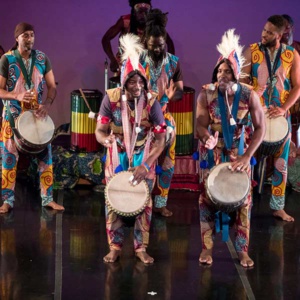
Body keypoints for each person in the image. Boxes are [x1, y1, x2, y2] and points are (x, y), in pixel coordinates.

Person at [196, 29, 265, 267]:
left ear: (236, 73)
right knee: (207, 199)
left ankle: (243, 250)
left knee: (243, 201)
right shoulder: (206, 94)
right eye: (219, 70)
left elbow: (260, 128)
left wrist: (247, 156)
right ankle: (207, 249)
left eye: (227, 70)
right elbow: (199, 125)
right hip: (213, 153)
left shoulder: (248, 95)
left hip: (239, 154)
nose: (222, 74)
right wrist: (206, 138)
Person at [95, 33, 166, 264]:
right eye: (132, 82)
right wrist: (104, 140)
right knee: (113, 198)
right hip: (117, 153)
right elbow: (100, 130)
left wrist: (146, 165)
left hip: (144, 154)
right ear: (124, 81)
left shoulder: (152, 101)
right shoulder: (111, 98)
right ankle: (114, 246)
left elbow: (161, 138)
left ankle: (140, 247)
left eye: (141, 82)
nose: (138, 86)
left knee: (144, 201)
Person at [0, 22, 64, 213]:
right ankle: (7, 201)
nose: (30, 38)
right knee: (9, 159)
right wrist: (16, 96)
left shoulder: (43, 58)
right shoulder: (7, 59)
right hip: (12, 116)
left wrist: (47, 104)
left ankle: (48, 199)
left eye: (32, 35)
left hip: (36, 115)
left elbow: (52, 86)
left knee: (46, 158)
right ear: (17, 38)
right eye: (25, 35)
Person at [241, 15, 300, 222]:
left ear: (280, 34)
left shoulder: (292, 55)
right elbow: (242, 82)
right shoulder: (252, 51)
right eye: (264, 30)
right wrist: (255, 98)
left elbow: (298, 87)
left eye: (269, 32)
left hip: (280, 118)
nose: (263, 34)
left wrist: (284, 108)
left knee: (280, 163)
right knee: (247, 159)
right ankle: (242, 202)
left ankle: (278, 207)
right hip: (255, 116)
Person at [139, 9, 184, 217]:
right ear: (145, 41)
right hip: (141, 118)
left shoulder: (173, 62)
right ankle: (140, 199)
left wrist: (172, 94)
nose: (157, 49)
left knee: (167, 161)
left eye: (160, 45)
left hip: (164, 117)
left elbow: (180, 90)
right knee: (142, 161)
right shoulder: (137, 60)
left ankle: (161, 202)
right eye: (153, 45)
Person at [102, 0, 175, 73]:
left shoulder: (154, 24)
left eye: (146, 12)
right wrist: (113, 60)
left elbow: (169, 43)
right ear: (134, 12)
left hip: (146, 67)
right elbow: (106, 39)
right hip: (124, 66)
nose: (143, 15)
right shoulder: (125, 21)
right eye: (140, 12)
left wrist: (168, 64)